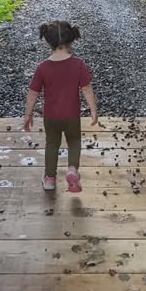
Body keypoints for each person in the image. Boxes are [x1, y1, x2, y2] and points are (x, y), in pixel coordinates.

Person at [23, 20, 98, 192]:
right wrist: (93, 110)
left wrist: (28, 114)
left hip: (51, 116)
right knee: (74, 141)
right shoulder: (78, 64)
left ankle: (50, 179)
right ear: (71, 40)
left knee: (52, 144)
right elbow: (86, 88)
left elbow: (33, 93)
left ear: (48, 42)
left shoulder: (42, 67)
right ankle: (72, 169)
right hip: (71, 115)